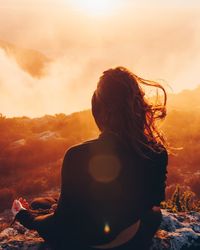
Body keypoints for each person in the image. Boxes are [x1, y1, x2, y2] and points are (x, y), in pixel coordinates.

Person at [12, 67, 168, 250]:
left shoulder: (77, 155)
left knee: (38, 208)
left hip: (87, 241)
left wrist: (24, 215)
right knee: (154, 214)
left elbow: (60, 224)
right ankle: (54, 206)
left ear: (99, 109)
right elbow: (152, 203)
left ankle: (34, 210)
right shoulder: (155, 152)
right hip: (131, 238)